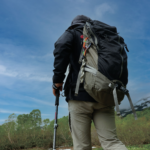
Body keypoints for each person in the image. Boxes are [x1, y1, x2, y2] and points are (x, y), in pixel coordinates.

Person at [52, 15, 128, 150]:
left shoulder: (73, 32)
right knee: (112, 142)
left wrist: (57, 81)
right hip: (105, 95)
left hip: (79, 96)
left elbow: (61, 46)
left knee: (82, 146)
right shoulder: (103, 36)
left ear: (73, 24)